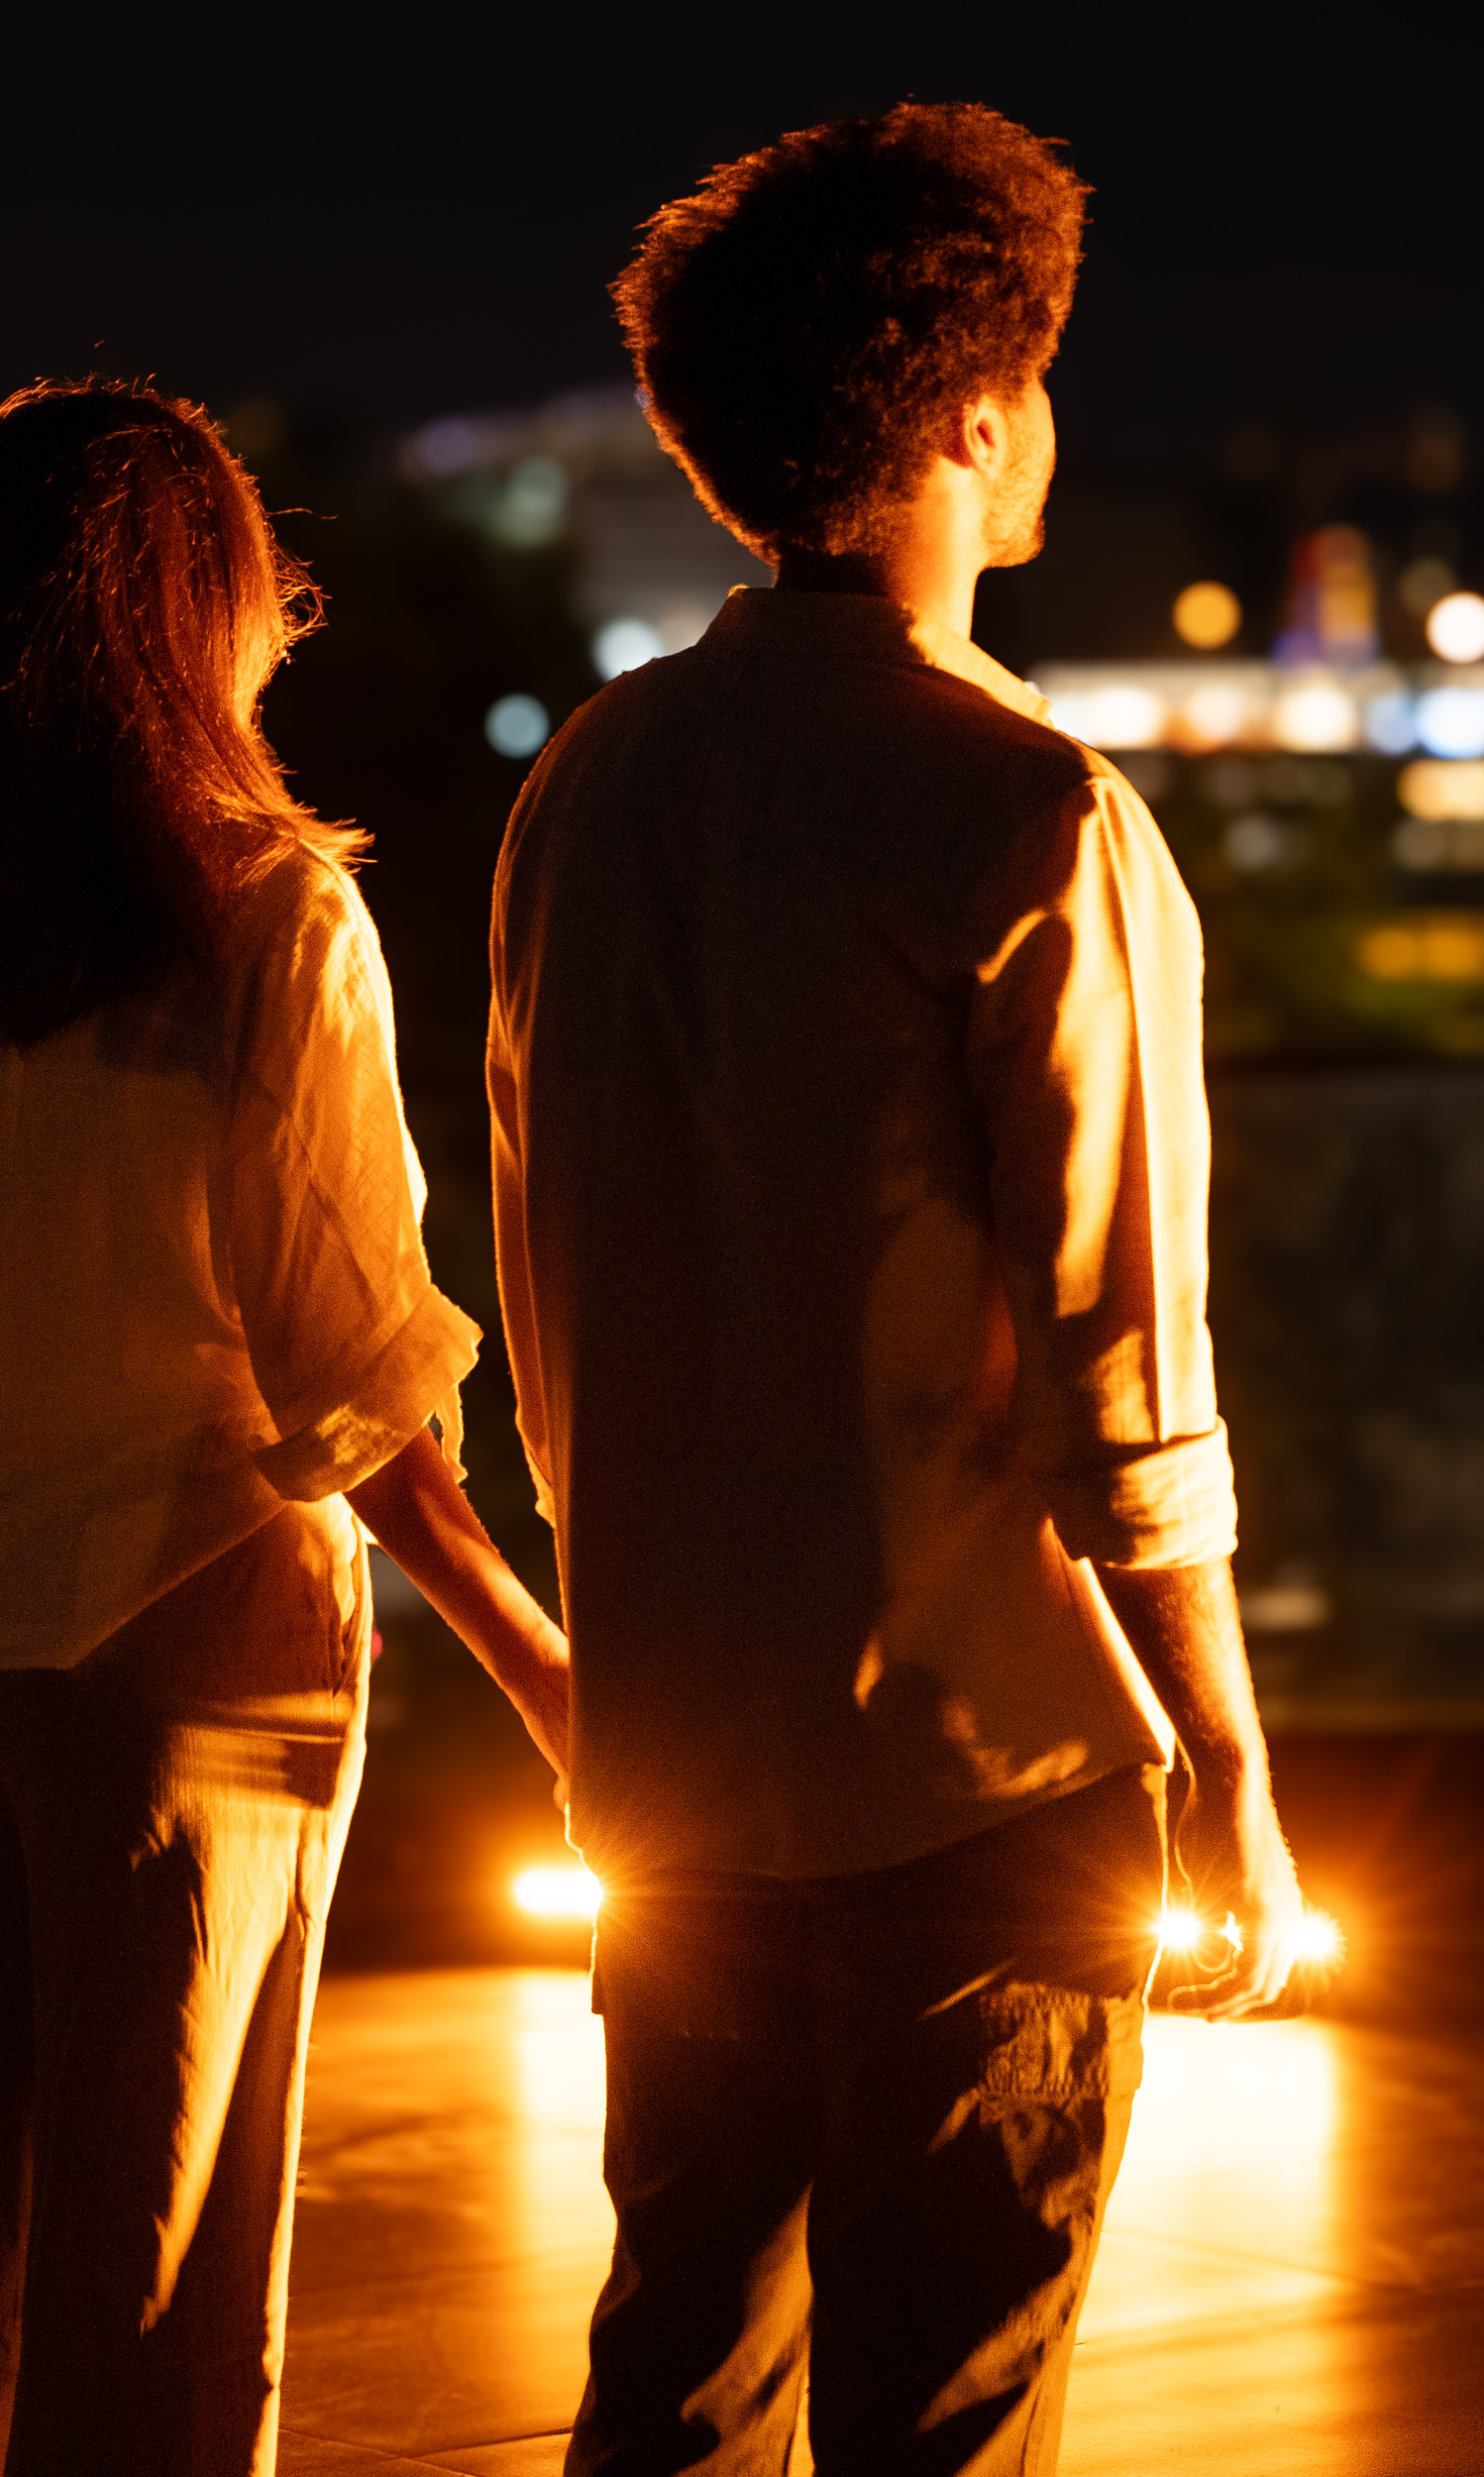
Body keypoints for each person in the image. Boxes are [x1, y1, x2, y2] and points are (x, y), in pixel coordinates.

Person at [486, 106, 1305, 2475]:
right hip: (977, 1763)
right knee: (944, 2406)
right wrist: (1224, 1775)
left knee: (675, 2371)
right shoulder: (1025, 806)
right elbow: (1116, 1366)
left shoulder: (591, 788)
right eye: (1036, 380)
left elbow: (550, 1276)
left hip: (672, 1735)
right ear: (970, 411)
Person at [0, 378, 571, 2477]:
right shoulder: (264, 913)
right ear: (186, 614)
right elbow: (348, 1365)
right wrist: (537, 1660)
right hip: (181, 1632)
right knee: (159, 2281)